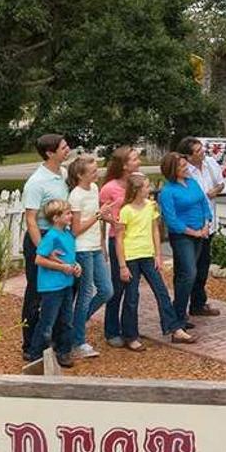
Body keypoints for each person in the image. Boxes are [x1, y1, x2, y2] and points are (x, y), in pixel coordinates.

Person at [117, 173, 194, 347]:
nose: (149, 189)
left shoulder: (151, 206)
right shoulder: (126, 210)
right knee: (131, 297)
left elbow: (155, 231)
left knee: (162, 292)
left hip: (148, 256)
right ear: (136, 190)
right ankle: (130, 336)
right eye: (146, 186)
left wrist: (158, 255)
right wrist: (122, 265)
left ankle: (175, 329)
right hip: (131, 257)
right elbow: (119, 238)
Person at [17, 133, 71, 356]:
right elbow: (30, 219)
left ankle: (57, 341)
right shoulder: (36, 182)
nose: (68, 149)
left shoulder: (64, 174)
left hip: (61, 235)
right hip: (42, 237)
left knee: (60, 288)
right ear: (50, 153)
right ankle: (30, 345)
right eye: (64, 147)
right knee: (37, 293)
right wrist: (44, 250)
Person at [24, 199, 84, 371]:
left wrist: (75, 266)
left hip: (66, 284)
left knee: (66, 320)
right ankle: (35, 355)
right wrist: (61, 267)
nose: (71, 216)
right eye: (67, 213)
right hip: (51, 287)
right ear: (56, 218)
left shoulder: (67, 235)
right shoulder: (50, 237)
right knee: (47, 322)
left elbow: (68, 258)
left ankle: (63, 351)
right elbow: (39, 259)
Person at [157, 151, 211, 334]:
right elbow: (171, 220)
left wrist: (206, 224)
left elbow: (204, 203)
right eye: (181, 166)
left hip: (200, 233)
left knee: (186, 274)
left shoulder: (192, 183)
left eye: (185, 164)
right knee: (188, 273)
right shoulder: (167, 192)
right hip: (183, 237)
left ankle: (180, 315)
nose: (186, 167)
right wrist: (193, 232)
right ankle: (177, 316)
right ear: (172, 170)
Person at [64, 156, 111, 363]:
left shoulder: (94, 188)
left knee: (106, 290)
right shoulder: (76, 196)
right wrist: (99, 216)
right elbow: (75, 230)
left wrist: (102, 243)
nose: (97, 173)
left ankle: (76, 325)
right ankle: (78, 341)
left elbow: (97, 219)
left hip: (95, 248)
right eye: (92, 171)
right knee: (86, 293)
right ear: (80, 175)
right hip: (82, 249)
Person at [95, 147, 142, 348]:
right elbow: (99, 215)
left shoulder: (137, 182)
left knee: (133, 288)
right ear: (124, 165)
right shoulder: (110, 188)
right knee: (117, 286)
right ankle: (112, 330)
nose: (139, 161)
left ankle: (130, 330)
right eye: (134, 159)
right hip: (118, 241)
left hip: (137, 242)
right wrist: (104, 240)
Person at [181, 137, 225, 319]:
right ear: (189, 156)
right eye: (198, 151)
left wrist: (214, 191)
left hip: (209, 223)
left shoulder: (210, 164)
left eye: (202, 149)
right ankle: (181, 306)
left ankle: (198, 303)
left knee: (203, 266)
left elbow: (221, 183)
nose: (202, 152)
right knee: (188, 268)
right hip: (191, 226)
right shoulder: (185, 171)